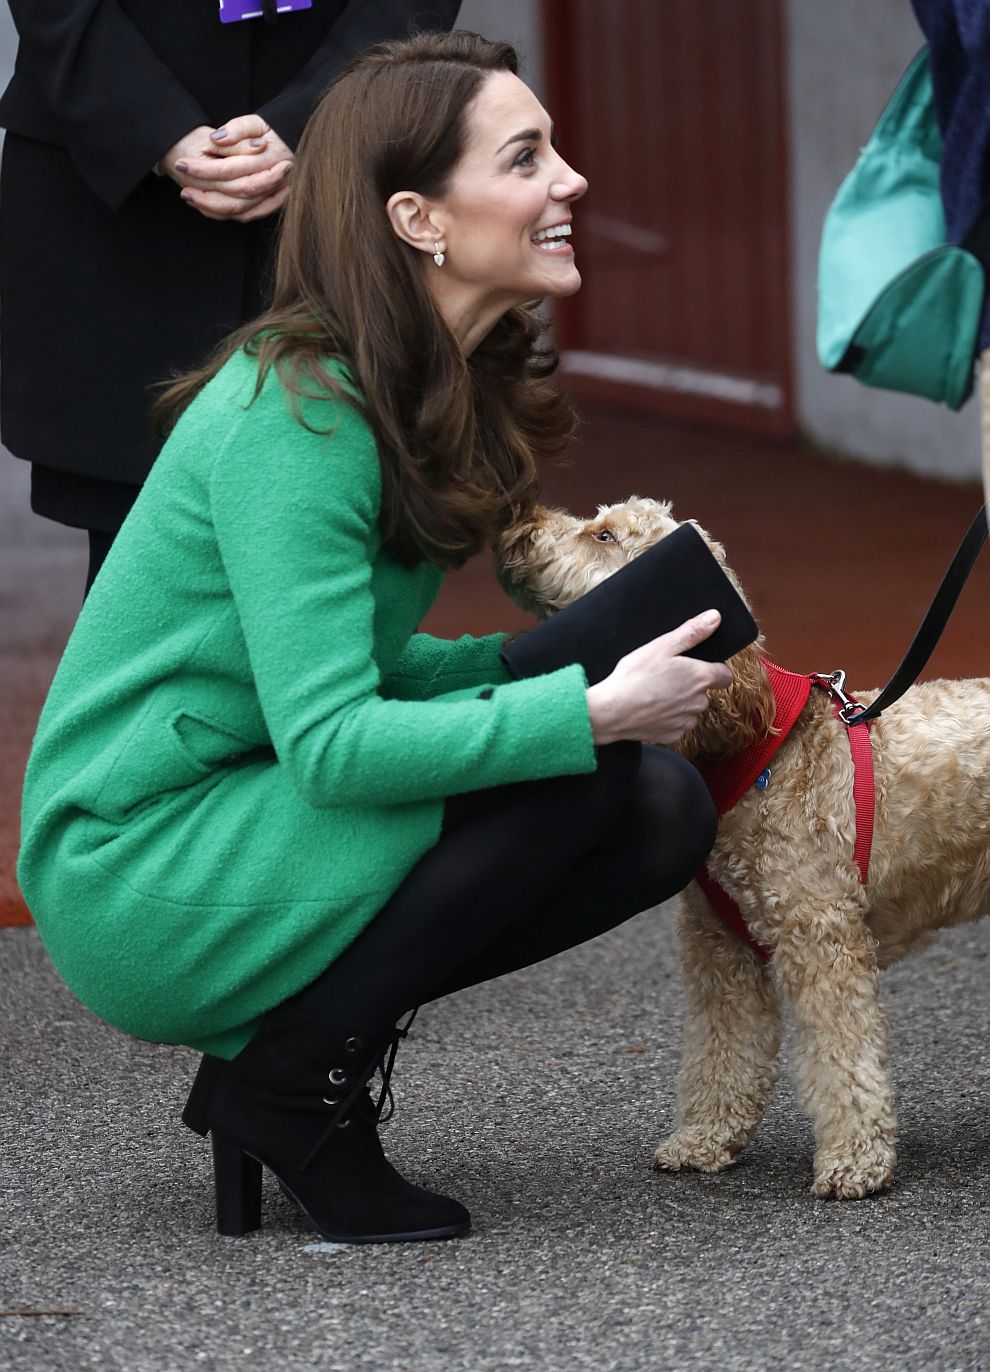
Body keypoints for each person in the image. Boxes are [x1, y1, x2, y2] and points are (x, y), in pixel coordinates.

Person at [17, 31, 731, 1246]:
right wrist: (588, 708)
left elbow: (359, 671)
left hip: (244, 798)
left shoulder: (423, 385)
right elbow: (335, 744)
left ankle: (290, 1067)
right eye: (528, 156)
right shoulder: (299, 415)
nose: (573, 181)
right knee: (589, 768)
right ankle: (294, 1087)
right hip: (141, 863)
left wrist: (553, 667)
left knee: (656, 803)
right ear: (418, 218)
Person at [0, 0, 460, 595]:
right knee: (139, 567)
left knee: (344, 524)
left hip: (342, 184)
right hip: (118, 188)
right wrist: (154, 126)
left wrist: (322, 117)